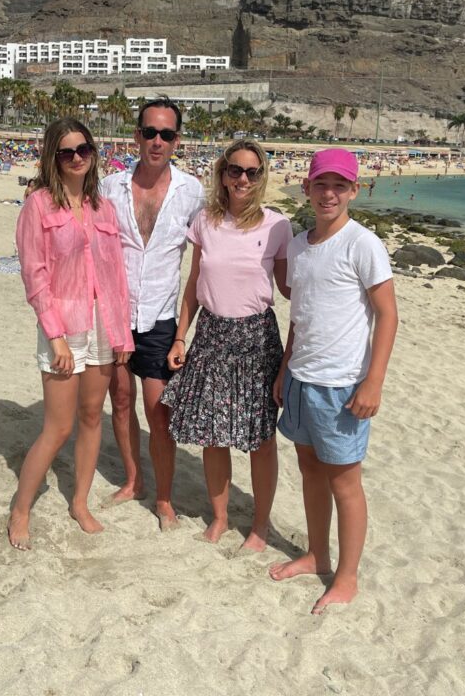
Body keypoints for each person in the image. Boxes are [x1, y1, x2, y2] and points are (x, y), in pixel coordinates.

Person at [269, 148, 398, 615]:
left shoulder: (363, 244)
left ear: (353, 192)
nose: (329, 194)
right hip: (302, 377)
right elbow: (300, 317)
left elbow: (387, 315)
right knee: (309, 471)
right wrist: (285, 368)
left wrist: (374, 381)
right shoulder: (300, 245)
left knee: (345, 482)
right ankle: (317, 554)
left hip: (343, 385)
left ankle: (346, 577)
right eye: (321, 184)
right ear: (306, 187)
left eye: (339, 186)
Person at [9, 118, 134, 550]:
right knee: (58, 427)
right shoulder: (38, 207)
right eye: (67, 152)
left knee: (90, 418)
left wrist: (122, 336)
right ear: (53, 158)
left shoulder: (105, 209)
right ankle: (21, 508)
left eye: (84, 149)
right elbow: (34, 275)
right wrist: (55, 335)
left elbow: (116, 276)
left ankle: (79, 502)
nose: (77, 157)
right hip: (63, 325)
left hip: (103, 324)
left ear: (94, 153)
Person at [161, 140, 292, 551]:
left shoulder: (277, 226)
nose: (243, 179)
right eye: (235, 170)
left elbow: (292, 290)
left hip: (257, 340)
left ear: (261, 177)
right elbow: (195, 285)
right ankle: (219, 517)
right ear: (222, 174)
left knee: (259, 437)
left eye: (252, 173)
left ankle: (259, 526)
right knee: (213, 434)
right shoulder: (205, 221)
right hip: (212, 336)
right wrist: (181, 335)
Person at [99, 97, 205, 529]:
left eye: (166, 134)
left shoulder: (192, 191)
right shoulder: (110, 187)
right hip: (116, 314)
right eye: (149, 132)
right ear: (136, 135)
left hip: (161, 317)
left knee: (159, 412)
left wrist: (183, 332)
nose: (156, 141)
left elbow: (203, 261)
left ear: (176, 140)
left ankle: (163, 498)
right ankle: (134, 480)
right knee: (120, 402)